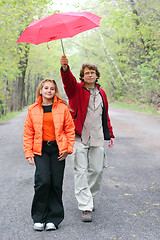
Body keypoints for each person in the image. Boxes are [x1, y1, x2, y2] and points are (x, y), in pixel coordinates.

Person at [60, 55, 115, 222]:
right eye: (86, 73)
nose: (90, 75)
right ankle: (85, 206)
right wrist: (64, 68)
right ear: (82, 76)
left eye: (92, 72)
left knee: (97, 170)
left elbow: (104, 115)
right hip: (78, 137)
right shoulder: (75, 89)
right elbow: (67, 80)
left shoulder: (102, 93)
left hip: (97, 136)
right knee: (80, 171)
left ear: (97, 75)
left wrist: (110, 133)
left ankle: (89, 196)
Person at [23, 79, 75, 231]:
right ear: (41, 90)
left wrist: (68, 149)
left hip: (58, 149)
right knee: (43, 181)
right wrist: (28, 152)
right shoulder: (33, 109)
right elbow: (28, 133)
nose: (49, 91)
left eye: (52, 88)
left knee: (56, 183)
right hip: (41, 150)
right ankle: (39, 217)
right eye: (46, 88)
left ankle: (54, 218)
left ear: (55, 91)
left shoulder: (62, 108)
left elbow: (69, 130)